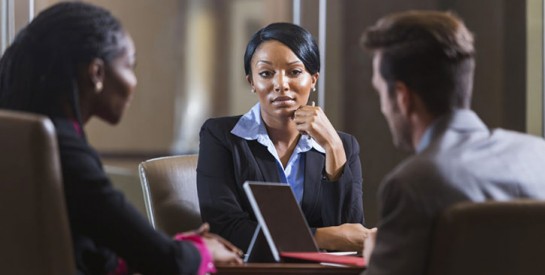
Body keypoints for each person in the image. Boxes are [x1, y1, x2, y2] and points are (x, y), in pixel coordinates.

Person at [0, 2, 242, 274]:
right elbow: (166, 261)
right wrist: (203, 251)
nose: (133, 82)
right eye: (130, 65)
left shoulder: (19, 140)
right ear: (97, 73)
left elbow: (95, 249)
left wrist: (179, 246)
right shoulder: (62, 152)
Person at [359, 10, 545, 275]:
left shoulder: (413, 185)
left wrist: (375, 257)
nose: (383, 107)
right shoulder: (539, 155)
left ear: (402, 97)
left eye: (380, 91)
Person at [197, 22, 370, 253]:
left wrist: (333, 146)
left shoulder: (345, 146)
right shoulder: (221, 136)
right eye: (266, 74)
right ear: (251, 82)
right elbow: (225, 228)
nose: (280, 85)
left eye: (294, 72)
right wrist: (319, 238)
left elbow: (351, 235)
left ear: (314, 79)